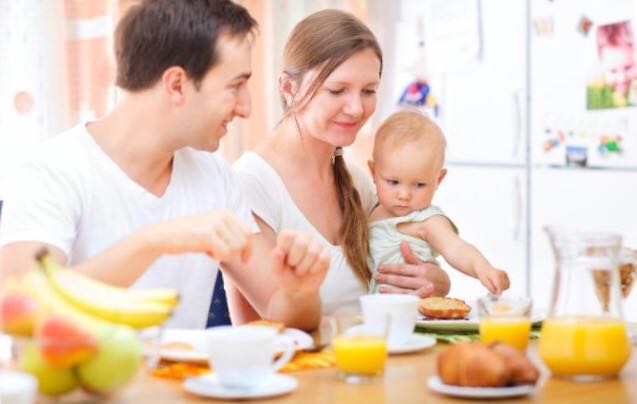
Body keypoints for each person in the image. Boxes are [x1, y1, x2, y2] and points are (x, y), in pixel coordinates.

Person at [0, 0, 330, 331]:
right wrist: (156, 240)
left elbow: (280, 307)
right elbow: (22, 312)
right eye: (235, 85)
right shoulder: (49, 172)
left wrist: (299, 292)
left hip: (181, 383)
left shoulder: (216, 178)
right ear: (176, 85)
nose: (246, 107)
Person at [230, 9, 451, 322]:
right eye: (337, 90)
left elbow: (411, 262)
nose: (357, 108)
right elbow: (261, 330)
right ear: (288, 88)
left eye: (369, 91)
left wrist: (434, 280)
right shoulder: (249, 185)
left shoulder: (359, 184)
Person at [367, 110, 510, 295]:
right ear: (373, 172)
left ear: (438, 180)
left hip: (415, 313)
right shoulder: (370, 211)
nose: (404, 195)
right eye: (393, 182)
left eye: (419, 185)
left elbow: (456, 248)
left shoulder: (426, 220)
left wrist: (483, 268)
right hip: (375, 314)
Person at [596, 21, 637, 106]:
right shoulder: (596, 92)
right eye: (613, 71)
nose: (622, 79)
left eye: (628, 67)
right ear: (601, 66)